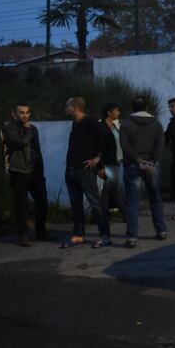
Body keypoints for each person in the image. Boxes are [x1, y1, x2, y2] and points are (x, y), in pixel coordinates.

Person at [119, 95, 167, 248]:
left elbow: (125, 146)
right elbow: (160, 145)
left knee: (132, 202)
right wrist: (151, 161)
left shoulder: (125, 124)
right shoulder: (157, 124)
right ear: (147, 108)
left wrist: (138, 160)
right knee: (156, 198)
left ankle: (132, 237)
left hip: (133, 165)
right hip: (152, 166)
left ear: (132, 108)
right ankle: (162, 231)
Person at [0, 102, 48, 246]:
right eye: (21, 112)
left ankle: (41, 231)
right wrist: (28, 131)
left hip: (35, 171)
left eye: (27, 112)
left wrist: (41, 169)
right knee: (21, 205)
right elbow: (20, 142)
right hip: (19, 171)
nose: (25, 115)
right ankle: (23, 234)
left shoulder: (32, 128)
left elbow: (37, 150)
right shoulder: (9, 127)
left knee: (43, 203)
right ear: (14, 114)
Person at [62, 97, 104, 249]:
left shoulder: (91, 122)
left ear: (75, 108)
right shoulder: (75, 123)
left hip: (85, 171)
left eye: (67, 106)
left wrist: (97, 159)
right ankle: (79, 235)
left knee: (95, 203)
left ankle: (104, 235)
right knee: (76, 204)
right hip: (72, 170)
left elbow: (105, 139)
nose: (65, 108)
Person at [94, 102, 124, 249]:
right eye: (116, 110)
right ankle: (129, 218)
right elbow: (97, 148)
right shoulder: (101, 127)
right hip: (108, 165)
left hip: (116, 164)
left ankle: (103, 220)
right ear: (108, 112)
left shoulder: (114, 126)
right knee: (115, 193)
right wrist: (99, 168)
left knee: (108, 195)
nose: (118, 112)